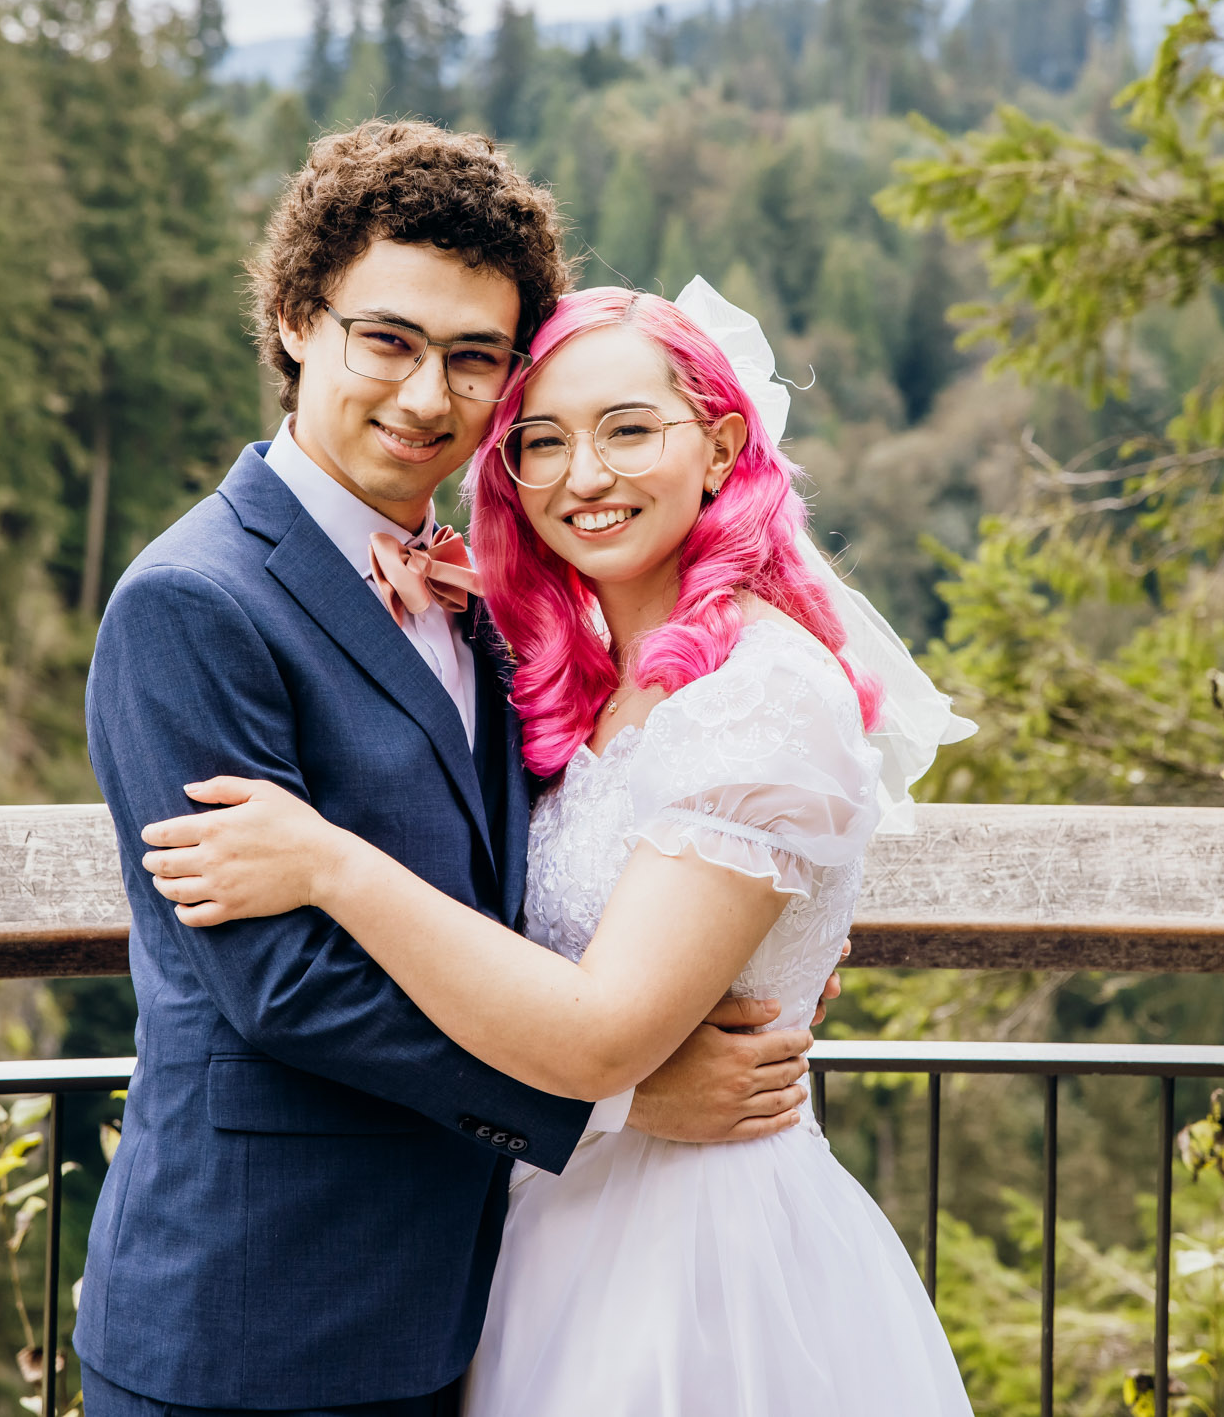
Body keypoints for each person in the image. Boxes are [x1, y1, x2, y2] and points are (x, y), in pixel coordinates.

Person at [75, 125, 827, 1417]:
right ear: (302, 319)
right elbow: (283, 988)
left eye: (475, 358)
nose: (428, 396)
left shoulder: (486, 603)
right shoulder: (191, 603)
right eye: (389, 339)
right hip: (257, 1314)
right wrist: (613, 1101)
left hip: (467, 1306)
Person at [144, 279, 977, 1415]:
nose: (584, 475)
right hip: (531, 1244)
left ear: (722, 444)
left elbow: (596, 1035)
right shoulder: (582, 667)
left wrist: (329, 860)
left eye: (630, 429)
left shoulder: (764, 699)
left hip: (696, 1264)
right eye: (542, 441)